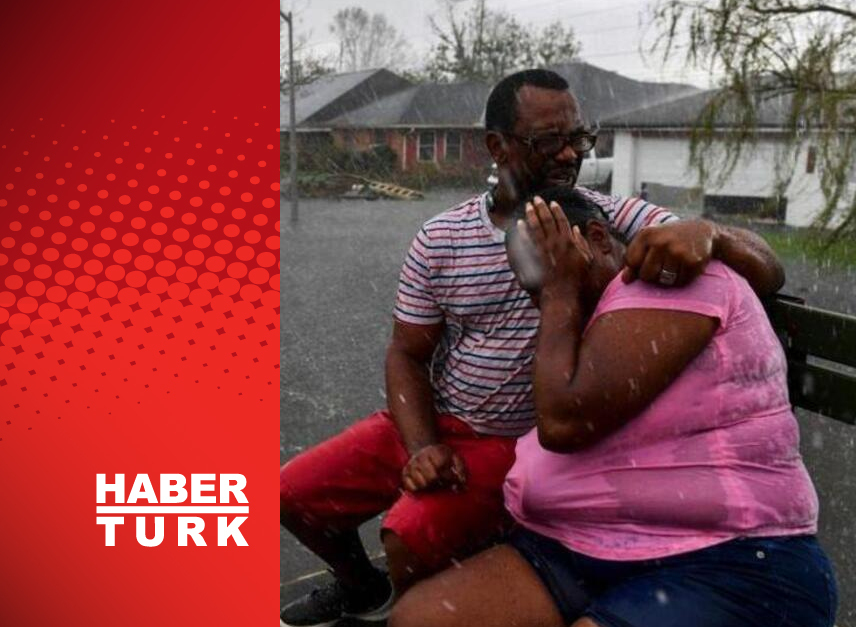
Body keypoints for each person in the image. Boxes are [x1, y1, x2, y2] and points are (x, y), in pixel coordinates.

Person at [279, 68, 786, 627]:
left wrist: (711, 232)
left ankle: (427, 597)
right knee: (291, 493)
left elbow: (767, 267)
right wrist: (422, 444)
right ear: (497, 146)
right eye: (549, 141)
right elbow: (407, 354)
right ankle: (362, 588)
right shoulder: (442, 238)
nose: (570, 154)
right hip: (435, 420)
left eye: (579, 138)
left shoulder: (604, 218)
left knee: (409, 535)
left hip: (512, 440)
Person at [388, 187, 835, 627]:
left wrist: (559, 290)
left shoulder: (669, 280)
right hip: (574, 547)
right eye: (533, 291)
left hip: (723, 556)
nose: (540, 303)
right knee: (419, 619)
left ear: (598, 238)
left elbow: (565, 420)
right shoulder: (589, 315)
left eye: (548, 275)